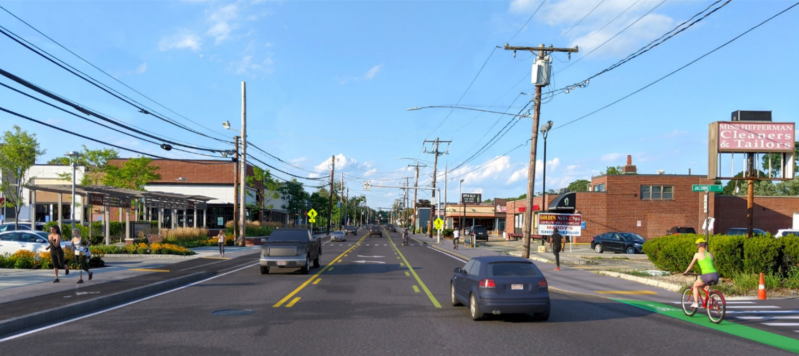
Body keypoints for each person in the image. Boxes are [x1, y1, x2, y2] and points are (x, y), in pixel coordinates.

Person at [683, 238, 719, 308]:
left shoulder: (697, 254)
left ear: (699, 246)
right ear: (704, 246)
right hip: (715, 275)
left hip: (706, 275)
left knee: (695, 285)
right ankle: (712, 301)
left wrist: (686, 272)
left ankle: (696, 303)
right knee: (706, 287)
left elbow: (691, 265)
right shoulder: (710, 254)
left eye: (697, 245)